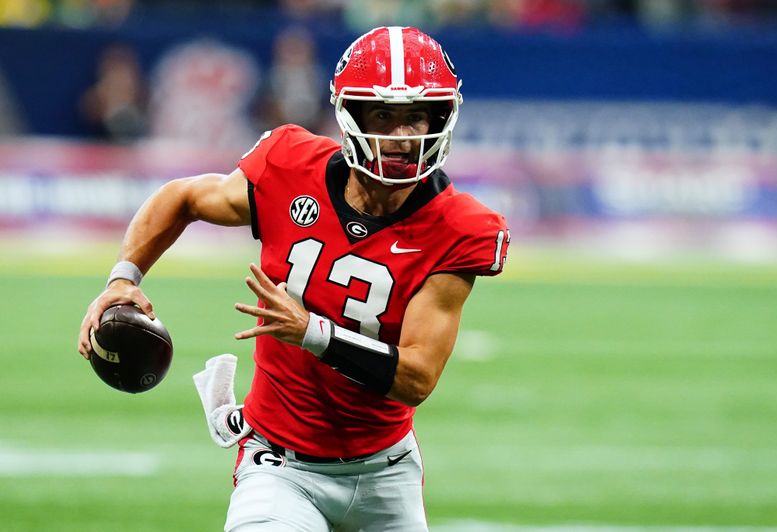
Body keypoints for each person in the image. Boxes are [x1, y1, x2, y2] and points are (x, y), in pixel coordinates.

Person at [78, 26, 510, 532]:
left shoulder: (459, 227)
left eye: (415, 116)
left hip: (385, 472)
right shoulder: (290, 167)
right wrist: (122, 279)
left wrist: (310, 331)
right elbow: (184, 197)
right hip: (279, 465)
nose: (401, 137)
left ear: (440, 118)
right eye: (383, 116)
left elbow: (416, 378)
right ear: (351, 116)